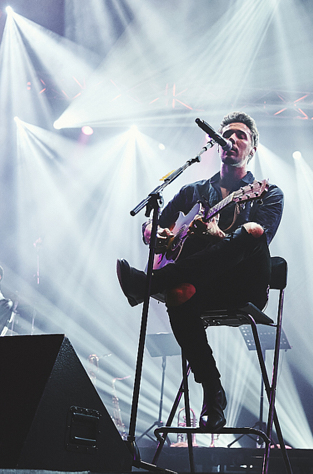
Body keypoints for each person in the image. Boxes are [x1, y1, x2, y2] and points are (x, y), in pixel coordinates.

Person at [117, 112, 284, 429]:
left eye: (241, 136)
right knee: (179, 293)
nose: (232, 140)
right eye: (227, 135)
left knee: (250, 232)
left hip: (244, 283)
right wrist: (154, 232)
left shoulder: (266, 191)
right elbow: (153, 225)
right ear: (216, 143)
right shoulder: (192, 192)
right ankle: (213, 391)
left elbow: (259, 238)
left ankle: (152, 283)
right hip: (199, 284)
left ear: (253, 150)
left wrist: (215, 234)